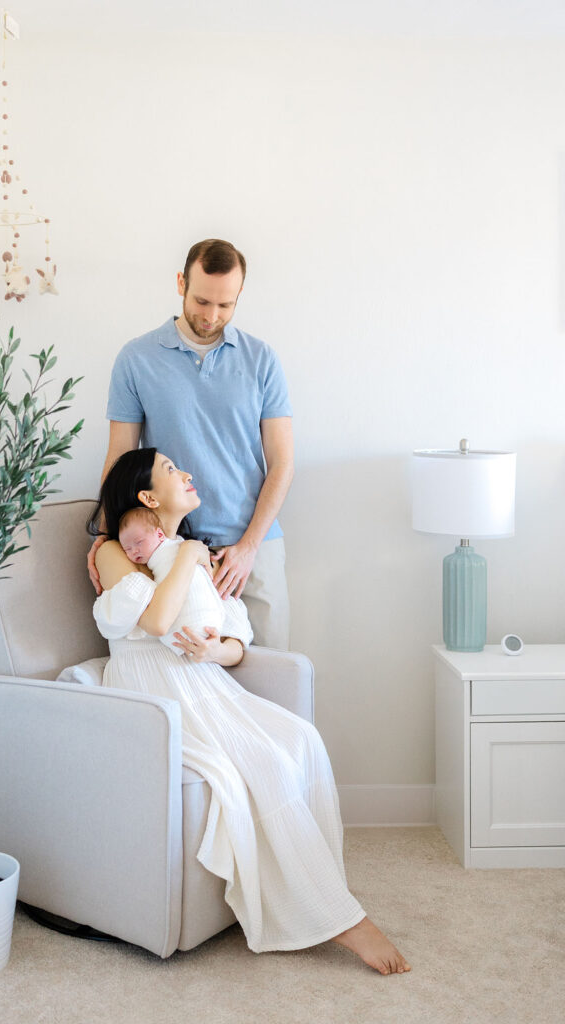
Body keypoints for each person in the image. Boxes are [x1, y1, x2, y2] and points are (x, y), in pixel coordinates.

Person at [88, 448, 411, 975]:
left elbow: (235, 640)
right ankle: (345, 921)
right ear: (147, 496)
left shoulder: (200, 552)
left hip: (203, 679)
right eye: (172, 470)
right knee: (261, 766)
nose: (188, 474)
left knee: (300, 739)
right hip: (154, 690)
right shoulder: (114, 551)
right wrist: (189, 556)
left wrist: (214, 650)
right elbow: (156, 620)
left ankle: (317, 890)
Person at [88, 238, 294, 650]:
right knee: (185, 678)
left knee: (274, 677)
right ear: (181, 282)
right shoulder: (136, 359)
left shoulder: (262, 360)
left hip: (253, 551)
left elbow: (282, 462)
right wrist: (106, 533)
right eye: (202, 301)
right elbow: (121, 457)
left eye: (225, 305)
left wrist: (248, 547)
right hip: (169, 549)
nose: (211, 315)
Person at [117, 505, 252, 656]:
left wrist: (219, 651)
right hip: (180, 638)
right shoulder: (189, 551)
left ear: (160, 535)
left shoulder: (192, 550)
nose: (134, 551)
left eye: (139, 542)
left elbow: (235, 638)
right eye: (127, 549)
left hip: (209, 628)